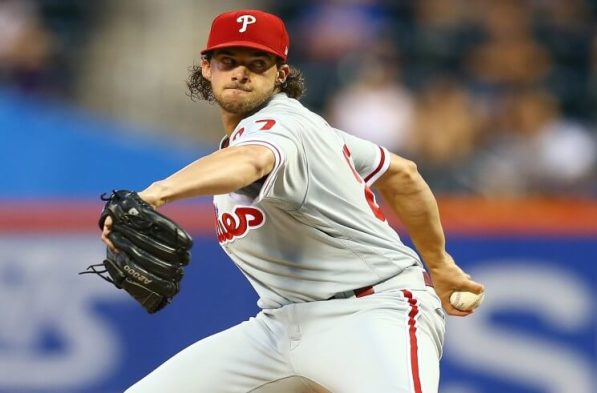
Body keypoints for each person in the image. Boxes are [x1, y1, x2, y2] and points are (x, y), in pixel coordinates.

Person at [101, 9, 484, 393]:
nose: (241, 72)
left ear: (280, 75)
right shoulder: (315, 132)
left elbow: (253, 159)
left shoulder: (281, 126)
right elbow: (403, 174)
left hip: (373, 314)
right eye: (228, 61)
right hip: (279, 326)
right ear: (207, 68)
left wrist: (157, 193)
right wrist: (441, 265)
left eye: (257, 63)